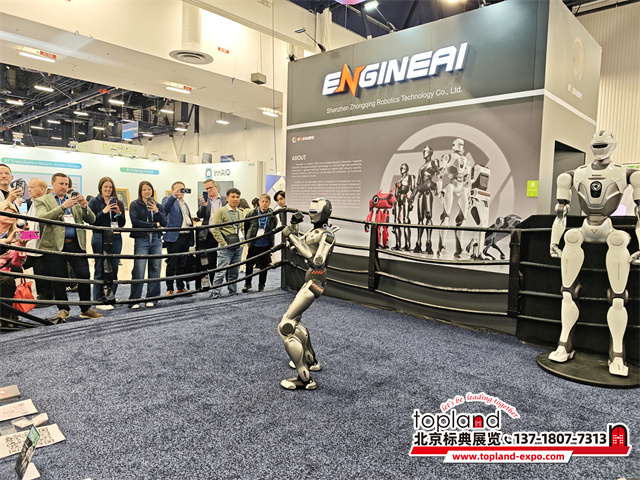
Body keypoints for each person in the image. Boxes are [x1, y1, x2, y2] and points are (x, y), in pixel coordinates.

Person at [549, 131, 640, 377]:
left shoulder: (627, 173)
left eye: (603, 145)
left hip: (609, 229)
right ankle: (564, 344)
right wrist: (554, 241)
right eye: (596, 145)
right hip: (584, 227)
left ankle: (617, 353)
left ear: (613, 145)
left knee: (618, 296)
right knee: (567, 289)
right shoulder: (573, 174)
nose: (600, 149)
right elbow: (561, 213)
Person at [278, 198, 339, 390]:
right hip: (311, 280)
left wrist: (292, 235)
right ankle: (311, 360)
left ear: (325, 213)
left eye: (315, 212)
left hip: (316, 281)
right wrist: (294, 227)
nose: (312, 215)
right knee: (296, 320)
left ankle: (304, 378)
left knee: (286, 326)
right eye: (310, 211)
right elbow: (296, 247)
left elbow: (317, 260)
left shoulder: (327, 235)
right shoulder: (314, 232)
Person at [34, 172, 103, 322]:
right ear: (53, 183)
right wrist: (63, 207)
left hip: (76, 244)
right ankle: (63, 310)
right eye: (61, 183)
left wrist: (84, 206)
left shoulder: (75, 199)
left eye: (66, 184)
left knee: (84, 275)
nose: (64, 187)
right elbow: (42, 218)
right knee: (59, 278)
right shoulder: (42, 200)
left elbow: (92, 219)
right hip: (54, 245)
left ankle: (86, 308)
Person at [88, 177, 126, 310]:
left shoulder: (118, 202)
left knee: (114, 268)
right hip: (100, 237)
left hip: (116, 237)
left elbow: (122, 224)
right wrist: (105, 211)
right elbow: (92, 221)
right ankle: (98, 299)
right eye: (105, 187)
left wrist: (119, 213)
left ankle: (110, 297)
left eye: (110, 187)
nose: (108, 189)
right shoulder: (94, 202)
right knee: (100, 268)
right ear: (100, 188)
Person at [129, 181, 167, 308]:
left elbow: (164, 222)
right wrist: (154, 225)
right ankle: (134, 300)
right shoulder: (135, 204)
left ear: (152, 191)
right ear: (140, 191)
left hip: (156, 239)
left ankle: (152, 298)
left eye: (149, 189)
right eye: (144, 189)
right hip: (141, 239)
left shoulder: (158, 205)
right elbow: (135, 222)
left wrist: (157, 211)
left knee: (155, 268)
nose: (147, 191)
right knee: (139, 269)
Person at [22, 178, 52, 306]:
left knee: (42, 272)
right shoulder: (32, 203)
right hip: (31, 244)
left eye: (32, 187)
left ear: (42, 189)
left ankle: (46, 297)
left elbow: (42, 228)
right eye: (29, 187)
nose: (29, 190)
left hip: (41, 245)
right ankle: (39, 295)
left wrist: (24, 235)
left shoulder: (46, 204)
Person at [210, 188, 245, 299]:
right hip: (225, 247)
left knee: (234, 272)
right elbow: (215, 229)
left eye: (237, 197)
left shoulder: (240, 213)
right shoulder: (221, 211)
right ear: (227, 198)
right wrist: (223, 243)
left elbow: (242, 228)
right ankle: (215, 293)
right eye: (233, 197)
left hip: (238, 246)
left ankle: (232, 292)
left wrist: (243, 241)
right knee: (221, 271)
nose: (235, 199)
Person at [161, 181, 195, 295]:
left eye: (182, 189)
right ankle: (169, 288)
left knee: (182, 263)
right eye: (178, 189)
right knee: (172, 264)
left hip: (186, 236)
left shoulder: (185, 203)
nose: (181, 191)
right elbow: (164, 209)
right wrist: (173, 196)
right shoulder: (168, 200)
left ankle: (180, 287)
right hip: (174, 237)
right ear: (173, 190)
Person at [0, 201, 28, 326]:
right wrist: (6, 241)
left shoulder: (18, 233)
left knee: (8, 280)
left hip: (5, 272)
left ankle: (4, 318)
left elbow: (17, 264)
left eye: (13, 214)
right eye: (7, 214)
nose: (10, 217)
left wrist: (22, 248)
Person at [243, 194, 277, 293]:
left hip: (266, 244)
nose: (264, 203)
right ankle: (247, 284)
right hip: (254, 244)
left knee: (264, 267)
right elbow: (246, 226)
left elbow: (274, 226)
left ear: (269, 203)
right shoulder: (251, 213)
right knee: (249, 265)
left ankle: (261, 285)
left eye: (266, 202)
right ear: (259, 202)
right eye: (263, 201)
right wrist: (248, 239)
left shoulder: (272, 215)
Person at [196, 179, 226, 286]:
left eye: (210, 187)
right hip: (209, 235)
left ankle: (227, 284)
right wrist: (203, 205)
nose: (208, 190)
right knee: (211, 260)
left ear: (216, 187)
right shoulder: (205, 201)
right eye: (206, 188)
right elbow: (200, 215)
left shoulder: (225, 200)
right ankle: (214, 284)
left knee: (225, 259)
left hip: (223, 234)